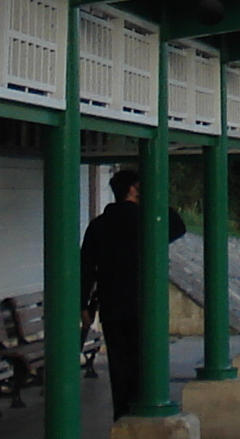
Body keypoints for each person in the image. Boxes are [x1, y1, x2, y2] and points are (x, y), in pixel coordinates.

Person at [80, 168, 187, 421]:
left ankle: (122, 413)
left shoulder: (98, 225)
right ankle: (145, 408)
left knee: (120, 362)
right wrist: (154, 199)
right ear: (133, 189)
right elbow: (178, 225)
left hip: (112, 303)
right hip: (146, 302)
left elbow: (86, 268)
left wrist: (83, 304)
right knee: (146, 358)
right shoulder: (149, 221)